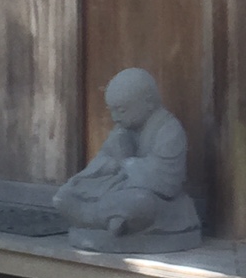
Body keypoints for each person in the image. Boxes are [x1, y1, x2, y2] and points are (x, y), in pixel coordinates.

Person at [53, 68, 201, 247]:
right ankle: (109, 219)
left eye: (122, 111)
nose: (115, 118)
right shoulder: (122, 130)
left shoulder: (169, 130)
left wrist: (125, 162)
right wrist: (108, 166)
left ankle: (90, 217)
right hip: (118, 189)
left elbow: (167, 182)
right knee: (67, 193)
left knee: (139, 202)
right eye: (112, 111)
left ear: (148, 102)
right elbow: (101, 163)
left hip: (159, 201)